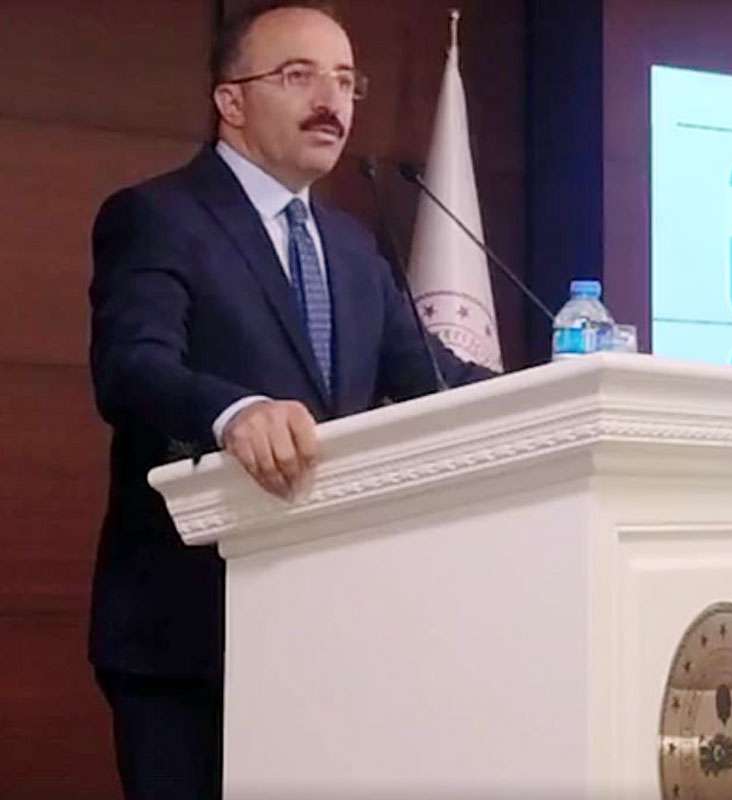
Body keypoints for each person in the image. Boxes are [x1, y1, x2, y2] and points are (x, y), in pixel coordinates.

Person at [87, 2, 493, 796]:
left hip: (325, 629)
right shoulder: (158, 216)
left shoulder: (351, 245)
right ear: (231, 101)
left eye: (345, 80)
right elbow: (131, 367)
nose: (331, 100)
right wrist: (234, 413)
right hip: (189, 634)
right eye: (299, 75)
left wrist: (571, 378)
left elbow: (431, 379)